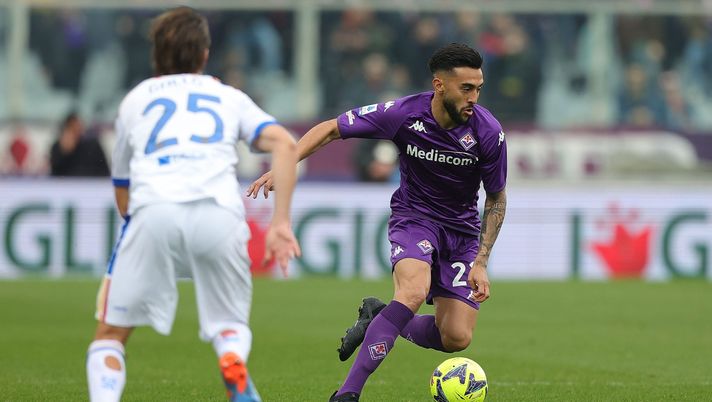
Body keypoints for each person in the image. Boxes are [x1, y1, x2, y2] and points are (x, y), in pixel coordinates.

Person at [247, 42, 507, 401]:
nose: (474, 97)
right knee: (413, 291)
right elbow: (330, 129)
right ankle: (348, 394)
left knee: (456, 338)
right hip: (415, 219)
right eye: (466, 88)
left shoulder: (488, 132)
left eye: (478, 88)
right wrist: (285, 166)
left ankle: (381, 316)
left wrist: (481, 261)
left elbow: (496, 198)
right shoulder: (402, 114)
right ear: (439, 85)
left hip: (461, 233)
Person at [85, 7, 300, 402]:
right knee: (229, 325)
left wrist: (136, 236)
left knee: (110, 336)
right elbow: (285, 144)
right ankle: (232, 356)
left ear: (156, 54)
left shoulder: (134, 101)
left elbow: (122, 187)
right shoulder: (227, 96)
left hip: (153, 211)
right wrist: (280, 223)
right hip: (219, 214)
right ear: (204, 53)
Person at [50, 111, 110, 177]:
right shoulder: (58, 147)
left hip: (90, 184)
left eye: (78, 126)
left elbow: (104, 171)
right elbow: (54, 172)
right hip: (66, 185)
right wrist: (64, 152)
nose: (76, 130)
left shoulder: (93, 146)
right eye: (72, 127)